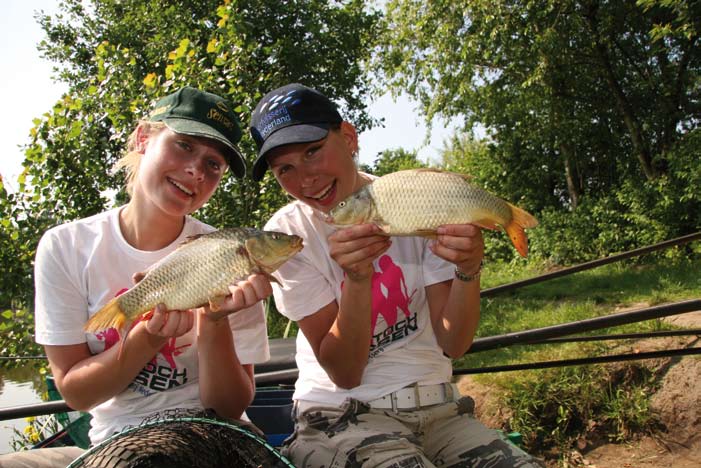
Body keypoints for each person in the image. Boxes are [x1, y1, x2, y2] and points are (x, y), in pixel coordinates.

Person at [249, 83, 545, 467]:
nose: (306, 179)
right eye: (285, 168)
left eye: (312, 151)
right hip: (342, 415)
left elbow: (454, 343)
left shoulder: (414, 203)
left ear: (348, 137)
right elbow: (345, 373)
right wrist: (357, 281)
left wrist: (468, 270)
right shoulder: (288, 238)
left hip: (442, 412)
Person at [0, 87, 271, 468]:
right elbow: (77, 394)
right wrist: (146, 338)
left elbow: (228, 406)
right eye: (184, 145)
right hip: (119, 437)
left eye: (214, 165)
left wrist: (214, 321)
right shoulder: (66, 246)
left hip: (219, 435)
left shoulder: (230, 254)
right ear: (144, 138)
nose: (196, 170)